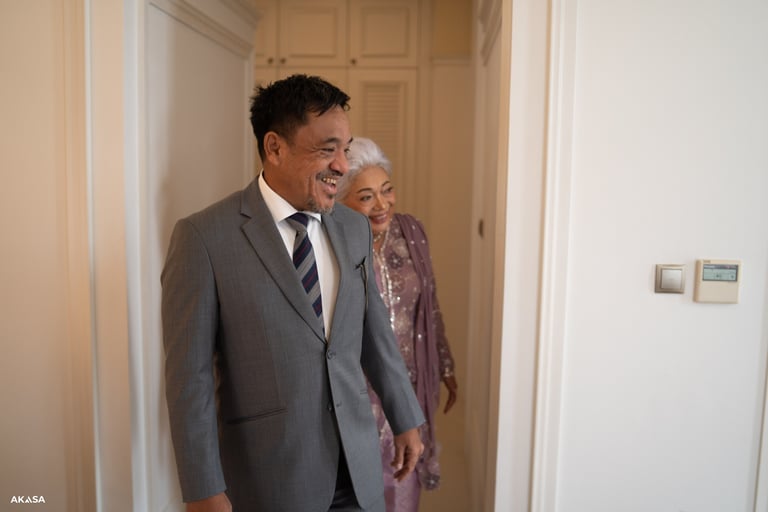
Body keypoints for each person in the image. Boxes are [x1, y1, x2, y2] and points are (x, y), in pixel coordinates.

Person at [161, 75, 425, 512]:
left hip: (357, 470)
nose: (342, 165)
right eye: (327, 149)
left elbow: (374, 332)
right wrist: (202, 488)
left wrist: (405, 416)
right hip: (270, 479)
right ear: (275, 147)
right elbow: (190, 379)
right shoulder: (204, 239)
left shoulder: (353, 228)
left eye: (345, 148)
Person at [337, 137, 459, 512]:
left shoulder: (411, 233)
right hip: (358, 391)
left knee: (405, 482)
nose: (382, 204)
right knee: (361, 487)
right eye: (366, 196)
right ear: (341, 201)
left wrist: (445, 365)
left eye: (387, 190)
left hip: (409, 383)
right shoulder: (336, 243)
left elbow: (430, 305)